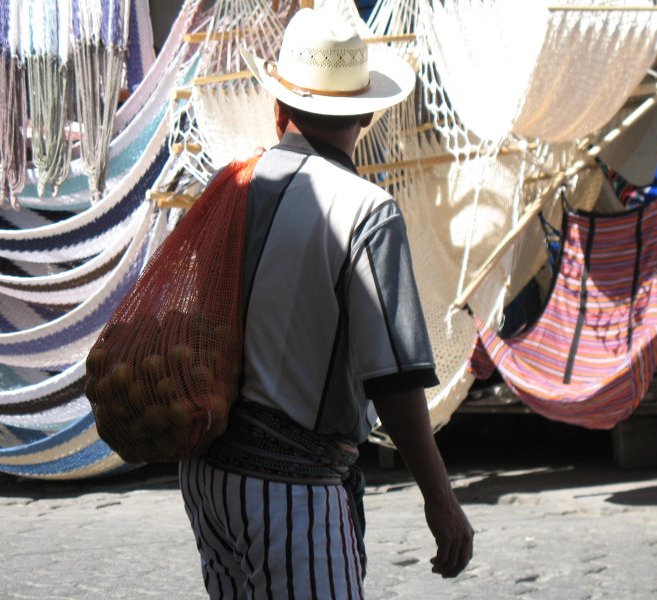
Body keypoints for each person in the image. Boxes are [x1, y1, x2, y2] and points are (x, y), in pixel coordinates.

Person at [179, 8, 473, 599]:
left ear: (279, 108)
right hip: (291, 493)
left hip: (207, 478)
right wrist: (441, 499)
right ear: (366, 114)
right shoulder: (365, 211)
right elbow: (393, 378)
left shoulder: (234, 186)